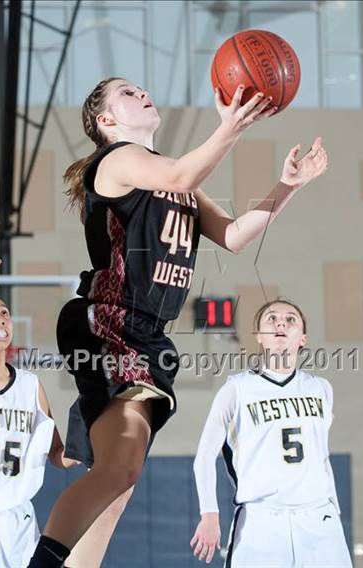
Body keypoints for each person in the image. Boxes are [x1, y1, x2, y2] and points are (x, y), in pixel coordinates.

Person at [28, 77, 328, 567]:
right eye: (126, 93)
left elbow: (233, 236)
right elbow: (184, 175)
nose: (142, 92)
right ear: (107, 122)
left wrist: (286, 186)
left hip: (146, 334)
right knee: (117, 474)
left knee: (117, 482)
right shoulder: (118, 160)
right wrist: (230, 126)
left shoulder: (175, 181)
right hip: (107, 320)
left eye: (142, 88)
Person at [190, 299, 353, 567]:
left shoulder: (322, 389)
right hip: (260, 522)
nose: (281, 323)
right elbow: (205, 456)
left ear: (302, 338)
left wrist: (333, 511)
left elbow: (322, 456)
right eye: (271, 319)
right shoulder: (236, 389)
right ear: (260, 338)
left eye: (291, 320)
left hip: (320, 520)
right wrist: (209, 513)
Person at [0, 245, 78, 568]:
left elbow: (55, 453)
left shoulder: (30, 385)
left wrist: (81, 450)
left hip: (18, 522)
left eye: (4, 313)